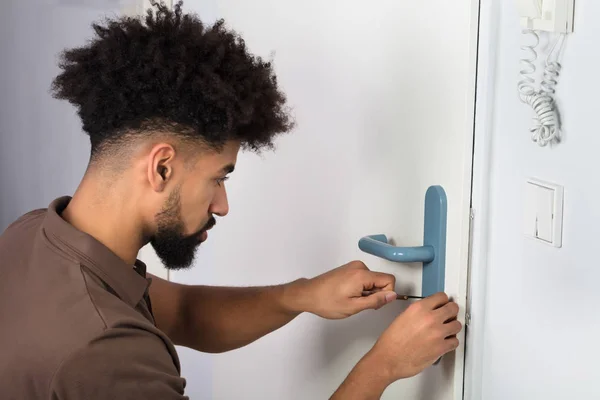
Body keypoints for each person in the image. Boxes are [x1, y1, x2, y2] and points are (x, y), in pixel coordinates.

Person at [0, 2, 461, 399]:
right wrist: (382, 367)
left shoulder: (34, 235)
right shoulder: (105, 352)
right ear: (161, 168)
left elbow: (183, 313)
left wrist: (300, 295)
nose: (222, 205)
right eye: (218, 178)